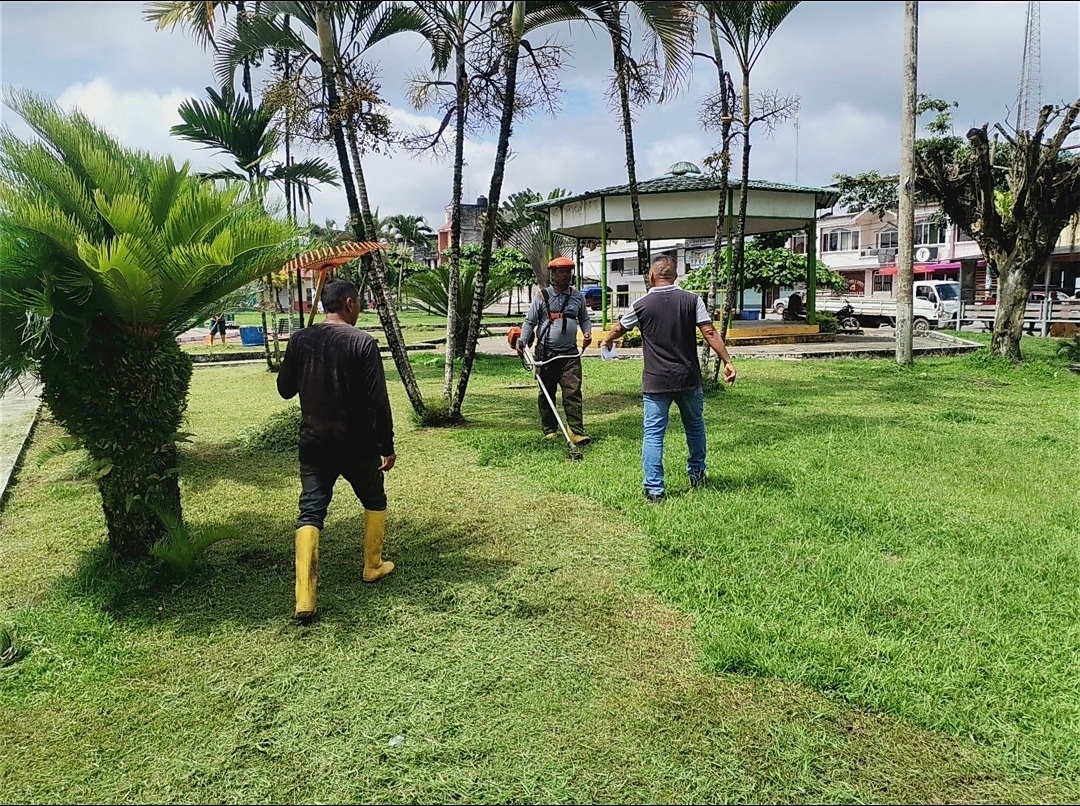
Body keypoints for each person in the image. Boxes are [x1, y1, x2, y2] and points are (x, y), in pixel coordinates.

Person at [276, 279, 397, 620]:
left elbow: (285, 389)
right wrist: (386, 445)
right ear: (348, 304)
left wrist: (299, 356)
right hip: (358, 444)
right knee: (374, 499)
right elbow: (377, 400)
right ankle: (372, 565)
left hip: (315, 444)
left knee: (310, 511)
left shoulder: (301, 339)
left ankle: (305, 598)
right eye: (358, 303)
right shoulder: (362, 342)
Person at [600, 255, 737, 503]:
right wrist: (727, 361)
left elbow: (620, 328)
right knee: (695, 427)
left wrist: (608, 340)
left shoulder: (641, 305)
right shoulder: (692, 300)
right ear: (675, 276)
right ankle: (697, 475)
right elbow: (709, 331)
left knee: (654, 434)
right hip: (688, 378)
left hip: (656, 381)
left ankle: (654, 489)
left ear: (652, 276)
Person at [516, 256, 593, 445]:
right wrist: (523, 340)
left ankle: (576, 431)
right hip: (546, 353)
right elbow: (530, 322)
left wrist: (587, 332)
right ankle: (550, 429)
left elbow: (584, 318)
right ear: (553, 275)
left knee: (573, 391)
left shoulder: (577, 296)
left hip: (570, 354)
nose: (566, 275)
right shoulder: (542, 296)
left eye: (568, 271)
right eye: (561, 272)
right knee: (547, 392)